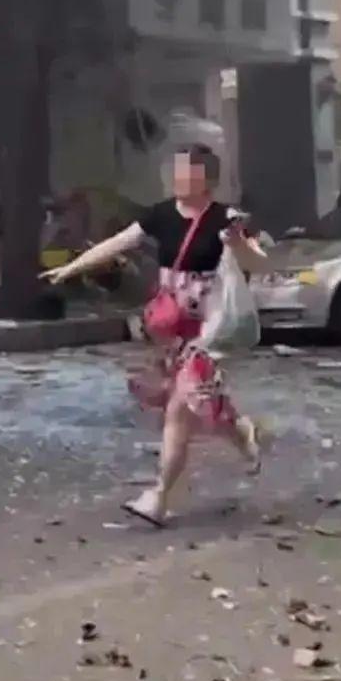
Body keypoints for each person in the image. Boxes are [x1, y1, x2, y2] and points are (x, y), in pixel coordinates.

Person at [44, 143, 270, 527]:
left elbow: (259, 263)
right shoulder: (162, 214)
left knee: (180, 408)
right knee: (201, 403)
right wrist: (71, 268)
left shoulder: (226, 219)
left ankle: (159, 497)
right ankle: (242, 432)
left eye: (187, 172)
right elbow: (118, 242)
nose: (178, 178)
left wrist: (235, 243)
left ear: (207, 179)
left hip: (210, 328)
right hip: (173, 328)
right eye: (176, 171)